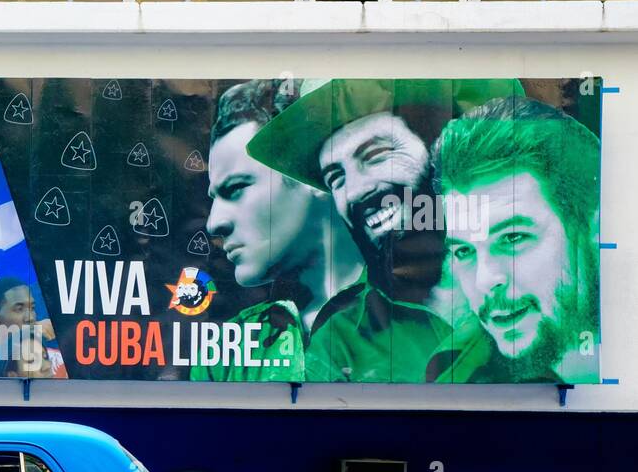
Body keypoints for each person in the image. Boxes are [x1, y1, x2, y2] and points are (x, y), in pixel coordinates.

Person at [246, 79, 524, 382]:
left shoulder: (539, 279)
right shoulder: (342, 337)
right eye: (336, 178)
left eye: (377, 154)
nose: (355, 191)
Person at [190, 79, 362, 383]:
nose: (214, 222)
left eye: (237, 188)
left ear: (312, 175)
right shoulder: (225, 352)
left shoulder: (422, 326)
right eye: (214, 198)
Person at [428, 97, 601, 384]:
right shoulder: (452, 374)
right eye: (464, 251)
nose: (484, 280)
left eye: (512, 237)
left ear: (590, 229)